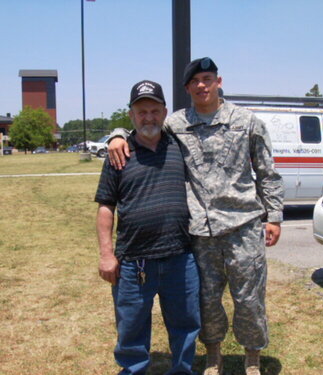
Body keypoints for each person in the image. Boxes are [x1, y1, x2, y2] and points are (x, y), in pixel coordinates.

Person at [107, 59, 284, 375]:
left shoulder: (247, 122)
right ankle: (213, 356)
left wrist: (274, 216)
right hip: (200, 232)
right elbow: (144, 126)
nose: (202, 86)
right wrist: (117, 134)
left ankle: (252, 358)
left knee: (249, 299)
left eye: (207, 79)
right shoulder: (177, 123)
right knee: (207, 301)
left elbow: (267, 172)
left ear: (218, 81)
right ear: (187, 88)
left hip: (243, 225)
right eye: (195, 82)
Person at [95, 80, 201, 375]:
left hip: (180, 256)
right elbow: (106, 207)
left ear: (165, 112)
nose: (149, 117)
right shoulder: (118, 154)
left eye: (155, 110)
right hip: (133, 261)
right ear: (131, 115)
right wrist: (106, 255)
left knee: (186, 325)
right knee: (131, 328)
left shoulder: (181, 146)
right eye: (142, 112)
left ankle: (181, 370)